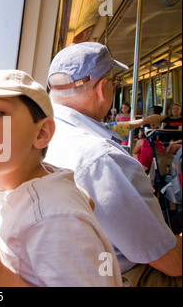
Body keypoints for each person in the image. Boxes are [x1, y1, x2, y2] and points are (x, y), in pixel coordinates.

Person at [0, 69, 122, 287]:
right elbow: (85, 199)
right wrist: (7, 192)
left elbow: (61, 216)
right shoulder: (42, 187)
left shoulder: (52, 218)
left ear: (41, 133)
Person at [44, 42, 182, 287]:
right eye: (114, 82)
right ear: (102, 88)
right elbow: (170, 261)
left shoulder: (43, 137)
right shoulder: (101, 158)